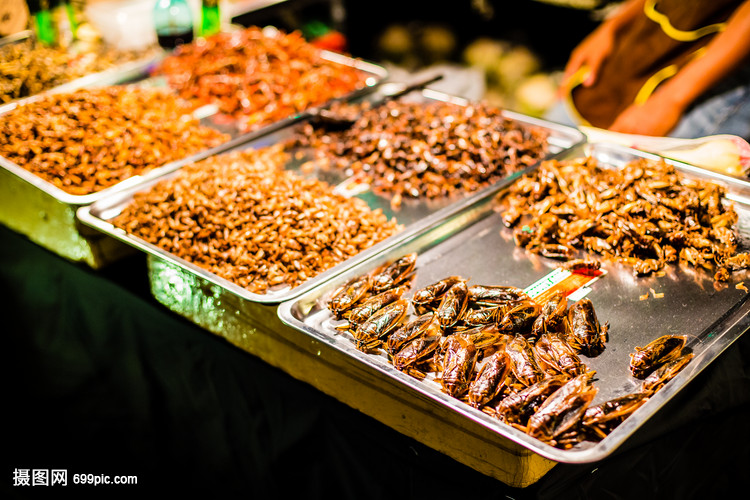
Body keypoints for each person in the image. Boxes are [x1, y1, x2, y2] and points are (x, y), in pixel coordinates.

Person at [545, 0, 750, 140]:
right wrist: (615, 24)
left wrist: (672, 99)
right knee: (548, 141)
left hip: (714, 73)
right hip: (639, 44)